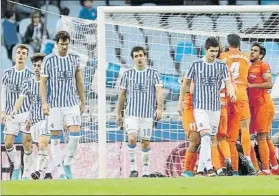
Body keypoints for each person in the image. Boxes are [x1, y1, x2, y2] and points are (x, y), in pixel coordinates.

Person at [178, 37, 235, 176]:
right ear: (206, 50)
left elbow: (228, 82)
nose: (214, 54)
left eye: (216, 51)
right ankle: (209, 167)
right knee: (204, 136)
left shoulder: (221, 65)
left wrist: (232, 92)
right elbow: (185, 84)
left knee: (209, 138)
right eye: (211, 51)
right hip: (200, 107)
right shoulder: (195, 64)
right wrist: (180, 103)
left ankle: (200, 169)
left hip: (215, 107)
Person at [40, 31, 86, 179]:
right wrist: (44, 103)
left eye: (66, 44)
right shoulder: (48, 60)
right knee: (55, 138)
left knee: (75, 136)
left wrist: (83, 101)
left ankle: (67, 162)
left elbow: (79, 81)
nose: (64, 47)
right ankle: (60, 172)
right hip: (54, 105)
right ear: (57, 43)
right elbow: (43, 83)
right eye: (62, 44)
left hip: (71, 103)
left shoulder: (74, 59)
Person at [116, 46, 164, 177]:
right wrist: (118, 113)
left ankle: (146, 172)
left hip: (148, 114)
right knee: (131, 138)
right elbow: (122, 94)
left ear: (145, 56)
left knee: (145, 142)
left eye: (141, 55)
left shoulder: (154, 73)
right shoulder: (127, 74)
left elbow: (159, 91)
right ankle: (133, 169)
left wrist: (159, 108)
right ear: (133, 59)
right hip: (131, 113)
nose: (139, 58)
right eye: (136, 56)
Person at [10, 53, 53, 179]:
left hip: (47, 117)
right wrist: (15, 110)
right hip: (34, 120)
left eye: (39, 66)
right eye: (34, 65)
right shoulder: (27, 82)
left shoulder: (50, 82)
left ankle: (39, 171)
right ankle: (47, 173)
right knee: (39, 147)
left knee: (43, 143)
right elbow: (21, 98)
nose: (36, 68)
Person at [219, 34, 256, 175]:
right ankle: (247, 155)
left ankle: (230, 168)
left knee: (228, 137)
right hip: (242, 93)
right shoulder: (247, 57)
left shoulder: (222, 57)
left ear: (228, 43)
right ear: (239, 43)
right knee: (245, 129)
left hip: (227, 94)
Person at [1, 44, 34, 180]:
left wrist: (32, 115)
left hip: (26, 113)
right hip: (11, 114)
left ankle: (26, 172)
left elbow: (33, 97)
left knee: (27, 142)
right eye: (19, 52)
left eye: (24, 53)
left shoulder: (31, 75)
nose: (21, 55)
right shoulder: (7, 73)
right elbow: (2, 92)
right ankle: (17, 165)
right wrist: (2, 111)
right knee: (8, 143)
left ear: (26, 57)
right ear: (15, 55)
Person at [248, 42, 279, 175]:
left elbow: (269, 84)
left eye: (255, 51)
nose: (252, 52)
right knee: (265, 137)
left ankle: (266, 169)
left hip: (264, 105)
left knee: (261, 137)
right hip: (255, 106)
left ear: (260, 55)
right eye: (251, 50)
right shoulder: (249, 67)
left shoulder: (263, 66)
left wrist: (250, 85)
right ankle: (276, 167)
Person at [180, 80, 199, 177]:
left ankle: (193, 170)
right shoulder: (191, 73)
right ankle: (186, 170)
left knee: (203, 141)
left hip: (203, 108)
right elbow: (188, 88)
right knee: (194, 140)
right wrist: (180, 104)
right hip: (190, 108)